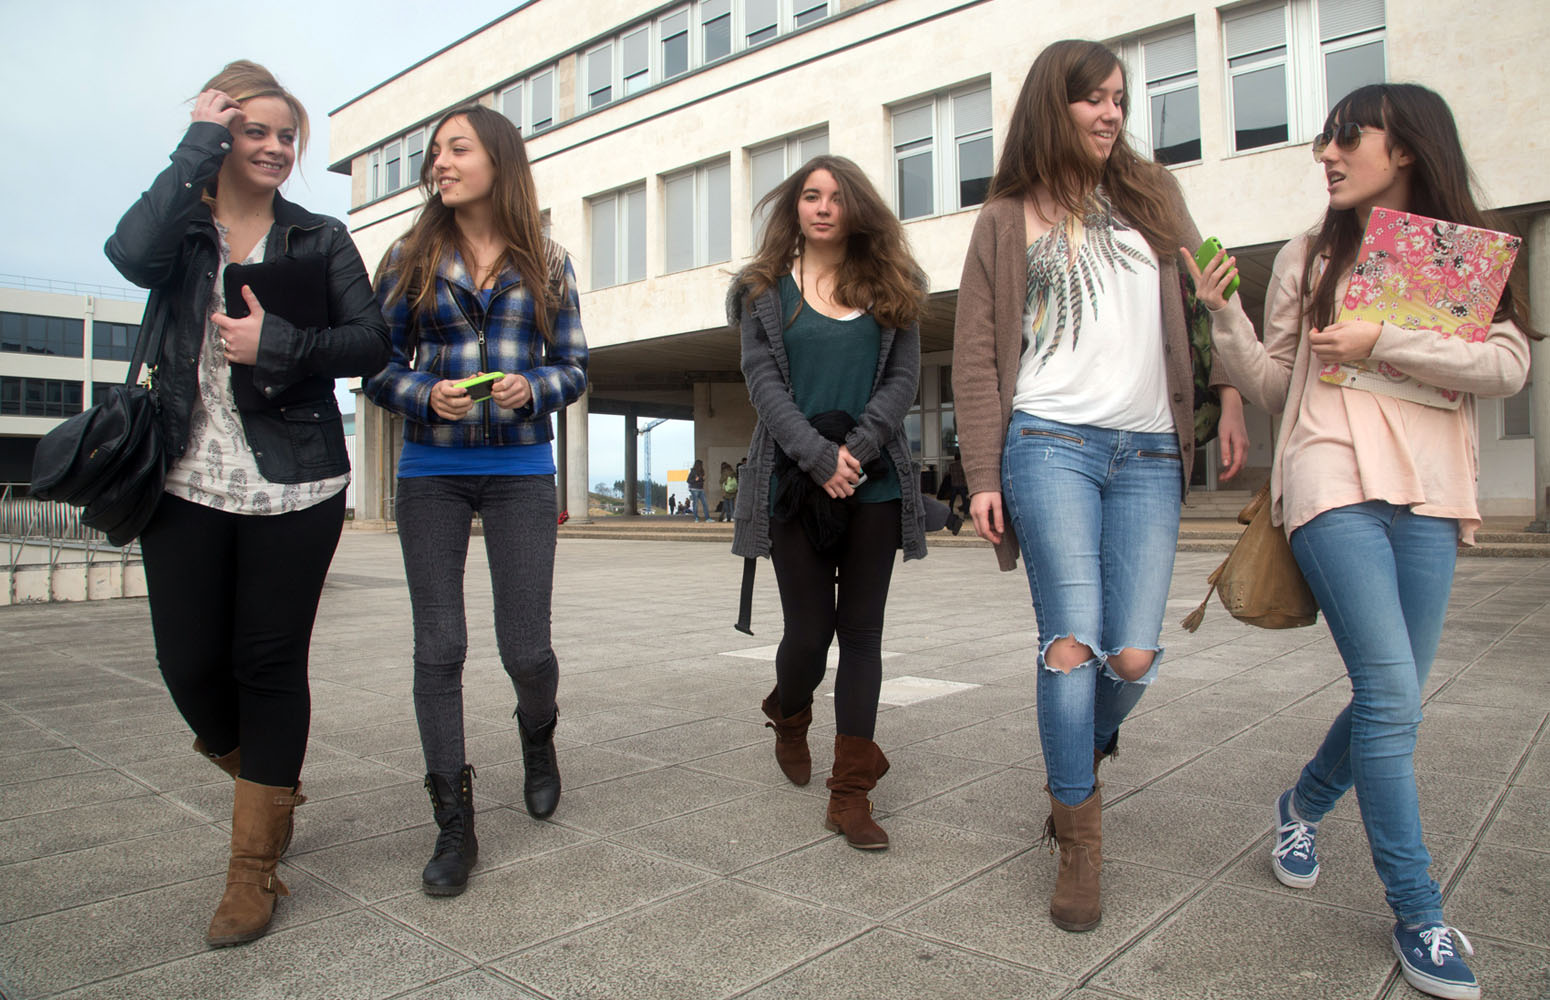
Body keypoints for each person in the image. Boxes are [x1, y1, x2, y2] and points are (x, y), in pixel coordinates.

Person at [1188, 83, 1532, 1000]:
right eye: (1324, 140)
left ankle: (1301, 803)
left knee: (1397, 698)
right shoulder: (1311, 252)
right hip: (1328, 477)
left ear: (1407, 148)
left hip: (1428, 488)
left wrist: (1387, 339)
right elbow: (1271, 388)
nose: (1327, 154)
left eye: (1349, 138)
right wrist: (1223, 316)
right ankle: (1420, 912)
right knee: (1388, 693)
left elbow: (1506, 363)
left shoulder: (1453, 252)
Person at [951, 39, 1248, 932]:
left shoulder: (1153, 196)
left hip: (1150, 453)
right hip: (1049, 446)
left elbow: (1215, 296)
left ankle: (1072, 753)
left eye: (1120, 98)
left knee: (1133, 655)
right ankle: (1079, 837)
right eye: (1093, 100)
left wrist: (1232, 393)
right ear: (1056, 106)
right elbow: (973, 351)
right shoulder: (1006, 217)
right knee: (1071, 642)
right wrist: (980, 472)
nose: (1112, 112)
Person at [105, 60, 390, 947]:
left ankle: (252, 870)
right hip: (183, 473)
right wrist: (194, 140)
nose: (274, 147)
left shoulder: (318, 236)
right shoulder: (183, 232)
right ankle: (270, 780)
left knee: (268, 664)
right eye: (254, 131)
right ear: (221, 136)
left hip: (296, 478)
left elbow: (371, 342)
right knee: (189, 663)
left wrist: (281, 341)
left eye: (286, 135)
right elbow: (126, 253)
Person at [363, 104, 587, 897]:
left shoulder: (549, 261)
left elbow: (576, 364)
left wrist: (535, 388)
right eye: (434, 153)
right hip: (434, 470)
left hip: (523, 468)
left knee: (526, 648)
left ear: (498, 158)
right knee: (440, 649)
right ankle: (453, 823)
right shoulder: (408, 256)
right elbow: (377, 365)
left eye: (457, 148)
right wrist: (427, 395)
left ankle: (538, 735)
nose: (440, 162)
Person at [731, 155, 928, 850]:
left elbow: (903, 381)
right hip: (792, 485)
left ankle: (849, 795)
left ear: (856, 209)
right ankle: (789, 710)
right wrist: (817, 458)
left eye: (837, 197)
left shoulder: (894, 287)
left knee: (863, 635)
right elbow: (763, 384)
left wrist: (861, 450)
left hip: (873, 483)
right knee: (809, 637)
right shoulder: (762, 292)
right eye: (810, 196)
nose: (822, 207)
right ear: (795, 208)